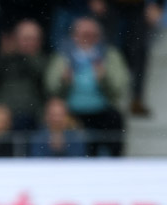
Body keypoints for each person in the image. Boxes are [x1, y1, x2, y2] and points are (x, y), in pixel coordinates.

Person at [45, 17, 128, 156]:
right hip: (71, 112)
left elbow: (119, 88)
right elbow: (50, 87)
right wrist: (64, 81)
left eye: (92, 35)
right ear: (74, 36)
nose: (88, 39)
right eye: (84, 35)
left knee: (115, 120)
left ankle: (115, 164)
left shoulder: (110, 55)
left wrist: (104, 79)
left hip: (102, 110)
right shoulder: (62, 55)